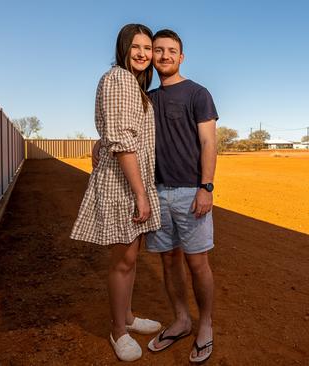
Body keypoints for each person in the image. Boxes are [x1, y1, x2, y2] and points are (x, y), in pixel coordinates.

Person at [71, 23, 162, 362]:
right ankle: (118, 331)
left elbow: (116, 132)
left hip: (131, 179)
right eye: (136, 46)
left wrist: (101, 140)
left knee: (130, 257)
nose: (143, 53)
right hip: (123, 183)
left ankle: (127, 316)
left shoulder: (132, 85)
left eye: (147, 48)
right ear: (123, 49)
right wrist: (140, 194)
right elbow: (124, 142)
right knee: (122, 261)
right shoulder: (121, 80)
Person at [145, 29, 218, 364]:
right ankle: (181, 320)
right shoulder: (148, 98)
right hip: (157, 192)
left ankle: (205, 326)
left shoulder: (198, 94)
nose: (164, 56)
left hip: (191, 192)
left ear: (181, 56)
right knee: (168, 260)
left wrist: (206, 187)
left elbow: (208, 142)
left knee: (197, 263)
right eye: (158, 50)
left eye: (171, 50)